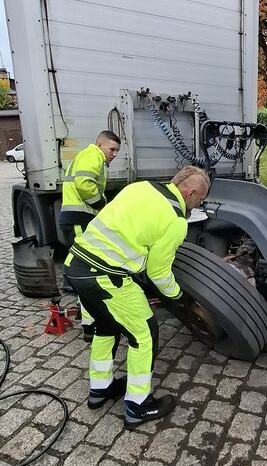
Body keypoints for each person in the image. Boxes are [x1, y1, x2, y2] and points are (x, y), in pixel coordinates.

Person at [64, 165, 210, 429]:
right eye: (200, 199)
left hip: (76, 266)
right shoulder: (175, 220)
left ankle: (100, 389)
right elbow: (158, 272)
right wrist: (177, 295)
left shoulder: (141, 187)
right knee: (144, 334)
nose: (198, 204)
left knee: (105, 327)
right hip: (105, 276)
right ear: (189, 193)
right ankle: (137, 406)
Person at [60, 130, 121, 335]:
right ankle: (90, 323)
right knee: (86, 270)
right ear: (100, 144)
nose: (114, 154)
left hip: (78, 220)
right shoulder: (93, 154)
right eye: (112, 149)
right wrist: (102, 204)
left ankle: (89, 320)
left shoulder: (90, 156)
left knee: (86, 269)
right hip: (78, 219)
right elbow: (84, 184)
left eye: (117, 151)